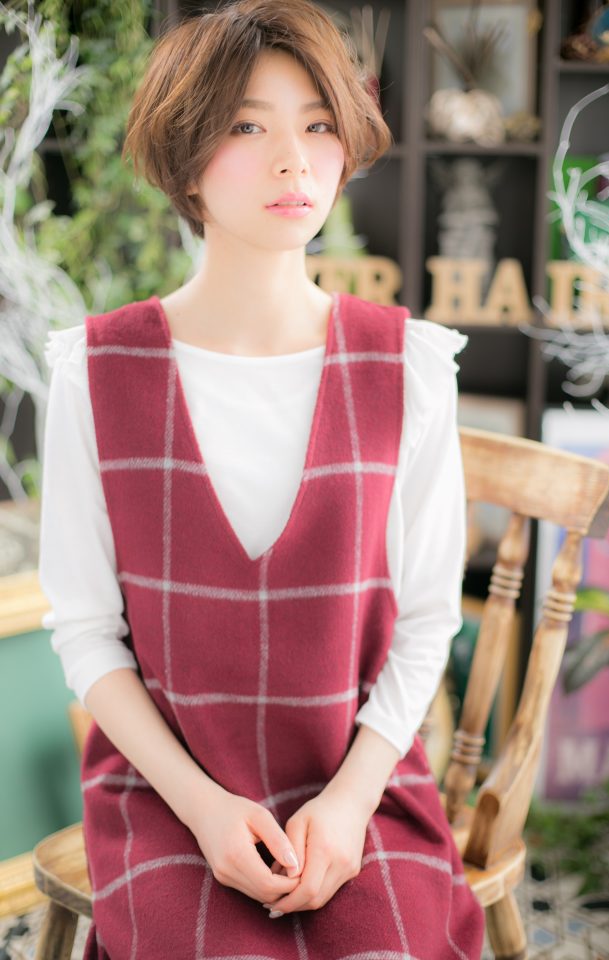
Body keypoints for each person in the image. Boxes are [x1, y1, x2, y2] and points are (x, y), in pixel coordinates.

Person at [38, 1, 486, 957]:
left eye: (318, 126)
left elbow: (426, 621)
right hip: (168, 790)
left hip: (360, 780)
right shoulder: (96, 371)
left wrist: (351, 800)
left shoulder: (409, 366)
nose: (294, 160)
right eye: (248, 127)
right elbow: (84, 629)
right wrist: (202, 806)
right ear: (184, 157)